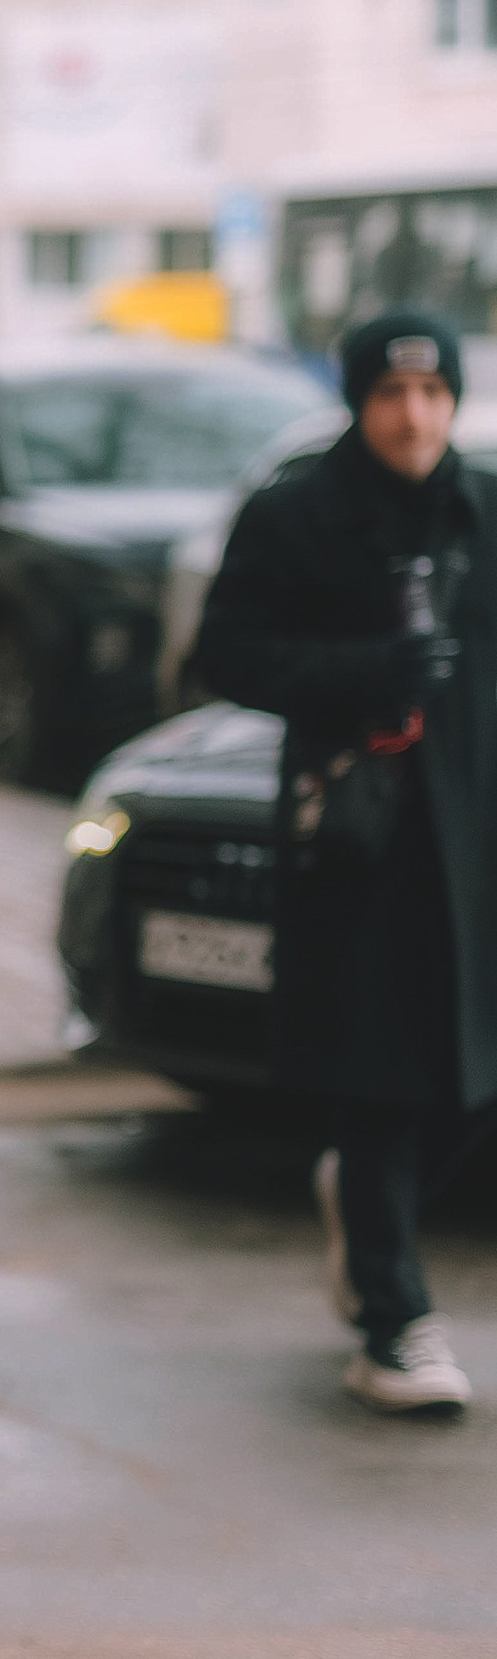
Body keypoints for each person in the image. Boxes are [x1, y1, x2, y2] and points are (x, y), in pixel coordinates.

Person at [196, 306, 497, 1415]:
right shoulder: (298, 516)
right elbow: (221, 653)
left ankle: (365, 1205)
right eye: (388, 394)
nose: (412, 416)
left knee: (465, 1074)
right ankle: (391, 1322)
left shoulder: (483, 507)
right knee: (379, 1071)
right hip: (361, 832)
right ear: (356, 401)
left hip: (476, 834)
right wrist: (366, 670)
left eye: (430, 394)